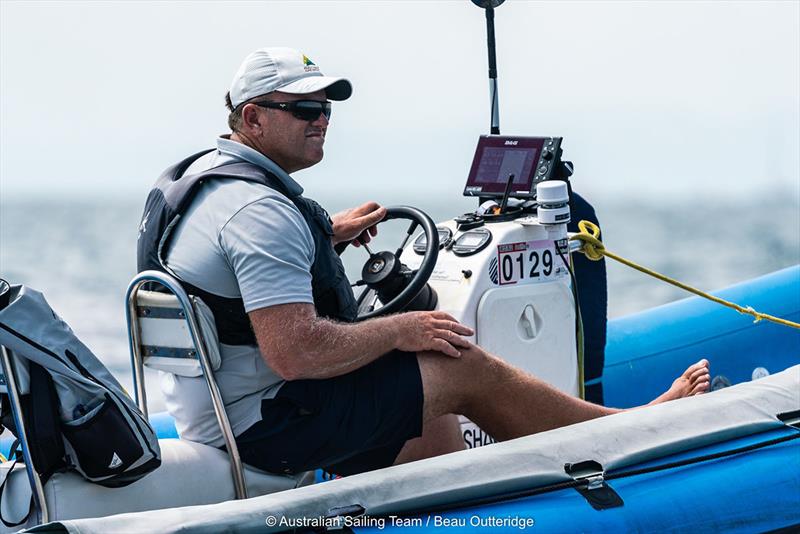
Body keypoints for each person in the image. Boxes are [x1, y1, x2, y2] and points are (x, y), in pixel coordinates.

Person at [137, 47, 710, 477]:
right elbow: (296, 352)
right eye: (305, 108)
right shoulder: (262, 213)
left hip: (216, 409)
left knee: (418, 390)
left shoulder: (207, 181)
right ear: (254, 118)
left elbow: (231, 277)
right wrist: (401, 330)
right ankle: (624, 432)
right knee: (454, 360)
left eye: (328, 107)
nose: (322, 118)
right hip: (262, 424)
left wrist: (326, 235)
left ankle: (446, 497)